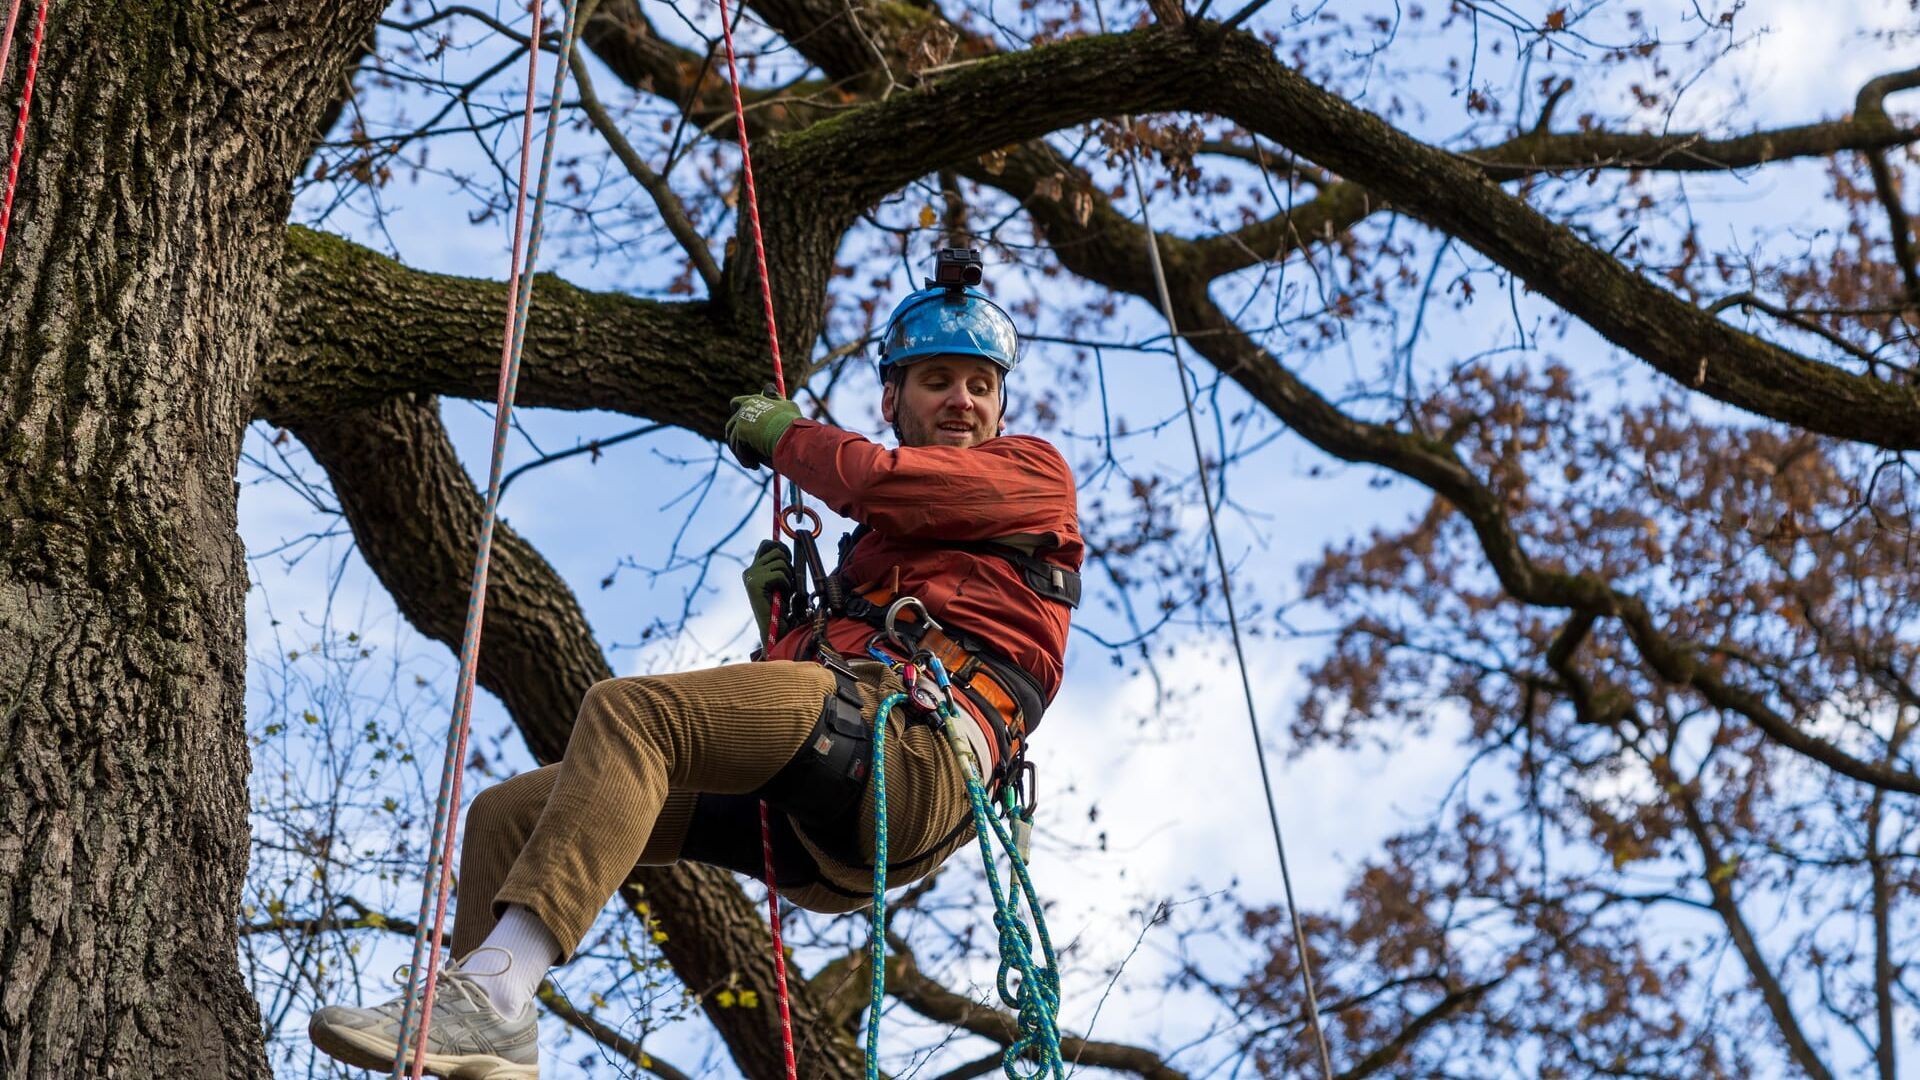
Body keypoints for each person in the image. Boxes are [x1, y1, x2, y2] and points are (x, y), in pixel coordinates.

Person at [308, 250, 1083, 1079]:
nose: (962, 400)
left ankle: (491, 1003)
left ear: (1002, 403)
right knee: (506, 815)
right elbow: (790, 699)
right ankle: (472, 1039)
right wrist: (789, 633)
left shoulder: (1031, 473)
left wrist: (790, 437)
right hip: (825, 796)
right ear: (895, 396)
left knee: (635, 713)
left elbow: (879, 482)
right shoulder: (877, 560)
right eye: (938, 380)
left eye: (979, 384)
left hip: (915, 760)